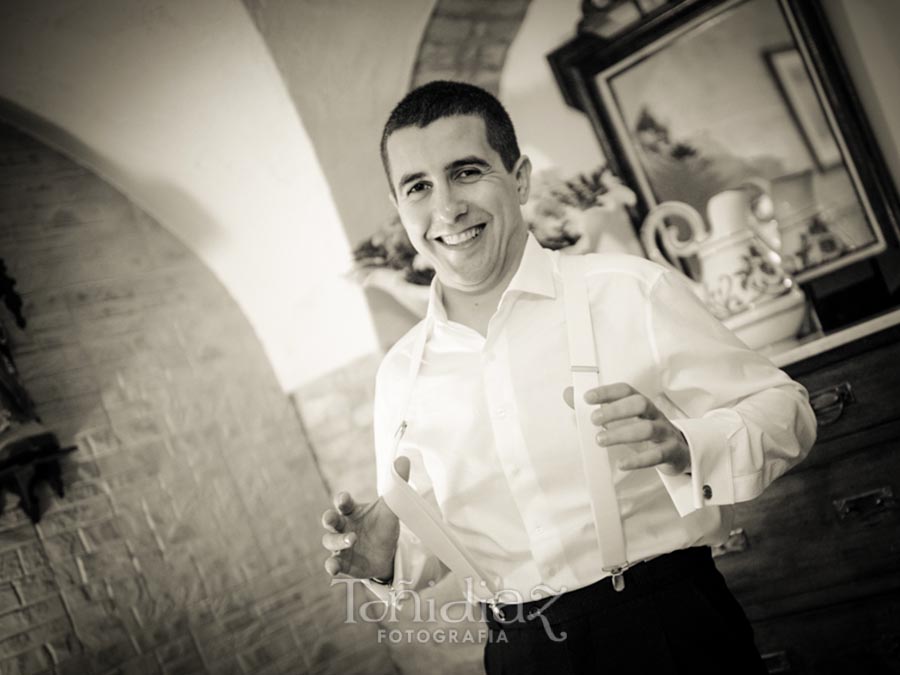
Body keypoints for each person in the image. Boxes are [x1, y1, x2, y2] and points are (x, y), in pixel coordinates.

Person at [321, 80, 816, 674]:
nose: (447, 208)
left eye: (467, 172)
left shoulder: (631, 291)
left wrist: (687, 447)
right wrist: (384, 559)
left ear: (521, 177)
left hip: (668, 628)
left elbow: (788, 410)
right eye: (419, 186)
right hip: (519, 653)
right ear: (400, 207)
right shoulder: (401, 376)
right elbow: (434, 544)